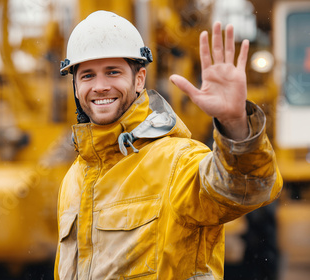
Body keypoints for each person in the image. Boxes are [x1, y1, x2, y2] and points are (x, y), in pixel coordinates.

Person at [54, 10, 283, 280]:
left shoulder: (177, 161)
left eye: (113, 72)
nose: (100, 86)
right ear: (76, 86)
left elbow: (248, 186)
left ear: (139, 79)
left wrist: (234, 123)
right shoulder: (74, 179)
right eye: (87, 76)